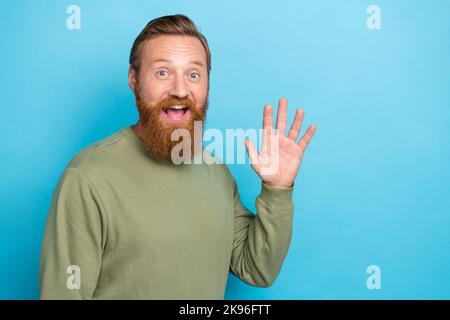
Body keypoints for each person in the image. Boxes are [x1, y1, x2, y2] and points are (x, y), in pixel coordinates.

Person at [39, 14, 316, 299]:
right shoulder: (87, 178)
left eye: (193, 75)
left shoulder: (216, 172)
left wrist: (277, 190)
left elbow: (257, 268)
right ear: (134, 80)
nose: (180, 90)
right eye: (162, 72)